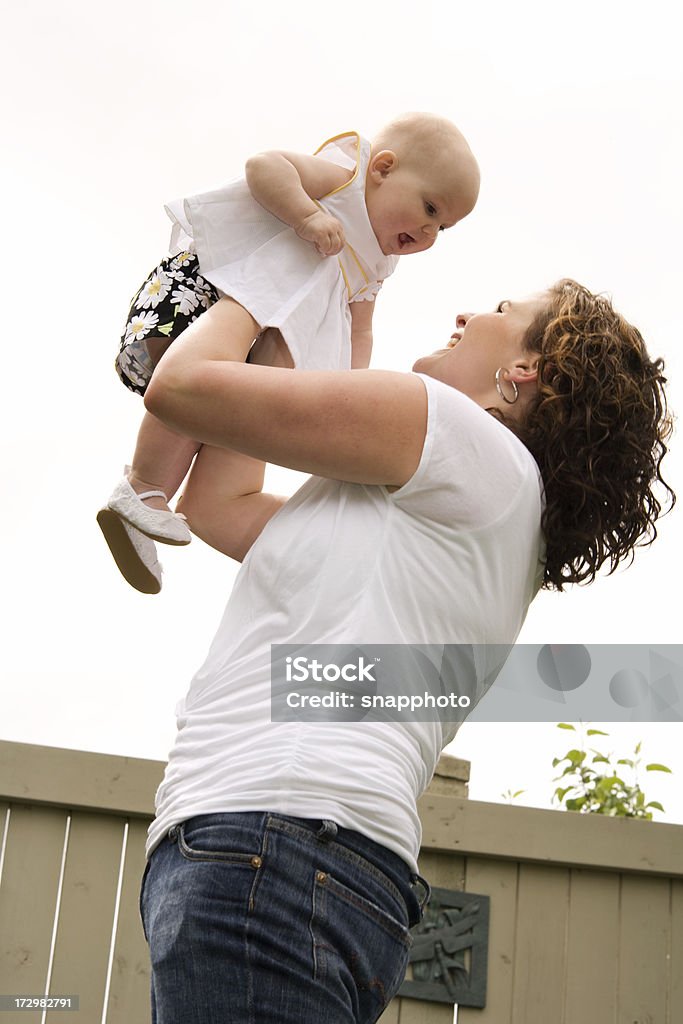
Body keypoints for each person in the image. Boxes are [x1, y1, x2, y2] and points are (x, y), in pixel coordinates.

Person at [137, 278, 674, 1024]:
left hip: (275, 840)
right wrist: (281, 323)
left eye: (497, 311)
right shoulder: (481, 514)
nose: (466, 314)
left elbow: (182, 389)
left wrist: (255, 281)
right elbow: (217, 504)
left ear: (527, 370)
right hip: (289, 852)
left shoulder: (456, 435)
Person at [97, 112, 480, 594]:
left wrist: (348, 385)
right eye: (429, 208)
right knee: (195, 386)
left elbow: (360, 328)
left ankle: (145, 501)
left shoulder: (379, 262)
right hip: (220, 284)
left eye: (442, 228)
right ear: (383, 168)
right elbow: (265, 166)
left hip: (261, 323)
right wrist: (307, 215)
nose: (429, 232)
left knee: (215, 408)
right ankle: (141, 487)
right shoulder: (347, 179)